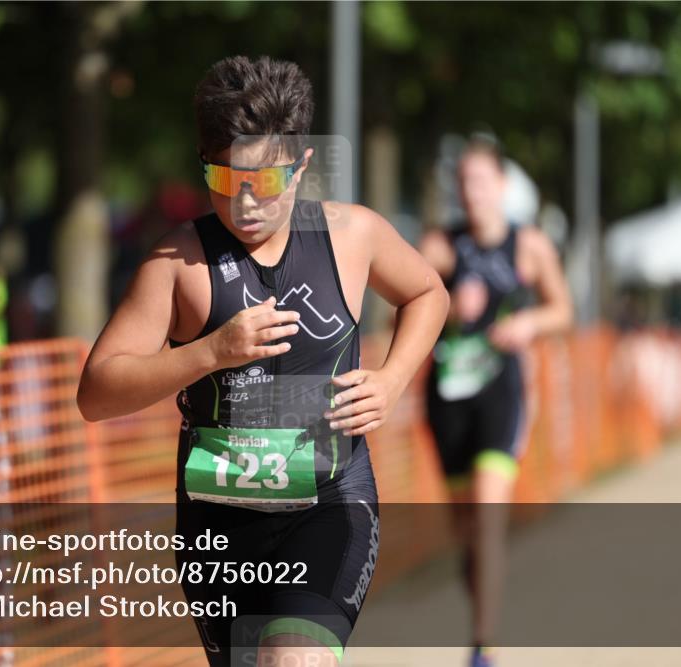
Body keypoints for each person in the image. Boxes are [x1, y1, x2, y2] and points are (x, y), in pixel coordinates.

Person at [78, 55, 449, 667]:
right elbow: (96, 393)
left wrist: (393, 379)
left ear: (301, 165)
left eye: (266, 181)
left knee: (294, 659)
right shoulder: (179, 263)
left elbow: (427, 292)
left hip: (330, 502)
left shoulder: (352, 237)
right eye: (226, 181)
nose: (247, 202)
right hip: (218, 524)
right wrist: (209, 352)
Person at [419, 135, 573, 667]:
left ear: (502, 186)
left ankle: (483, 645)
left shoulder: (529, 245)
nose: (473, 192)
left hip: (501, 391)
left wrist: (527, 322)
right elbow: (402, 307)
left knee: (488, 517)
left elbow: (563, 310)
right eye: (464, 183)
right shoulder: (439, 246)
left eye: (482, 181)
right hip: (447, 398)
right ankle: (477, 572)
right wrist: (443, 306)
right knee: (467, 530)